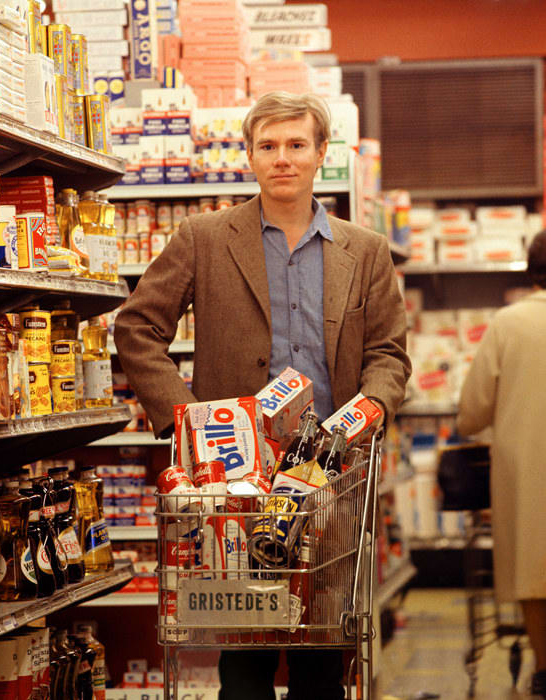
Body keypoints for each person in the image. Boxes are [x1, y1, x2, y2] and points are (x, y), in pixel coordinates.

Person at [114, 91, 411, 700]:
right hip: (236, 478)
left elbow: (388, 353)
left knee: (325, 660)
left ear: (321, 154)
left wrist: (372, 408)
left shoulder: (366, 250)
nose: (283, 159)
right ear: (248, 154)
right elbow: (136, 326)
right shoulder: (203, 236)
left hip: (330, 472)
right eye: (268, 146)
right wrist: (186, 420)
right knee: (243, 659)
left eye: (297, 145)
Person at [457, 230, 546, 698]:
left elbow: (471, 412)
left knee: (535, 572)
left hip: (526, 474)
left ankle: (544, 667)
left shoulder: (508, 324)